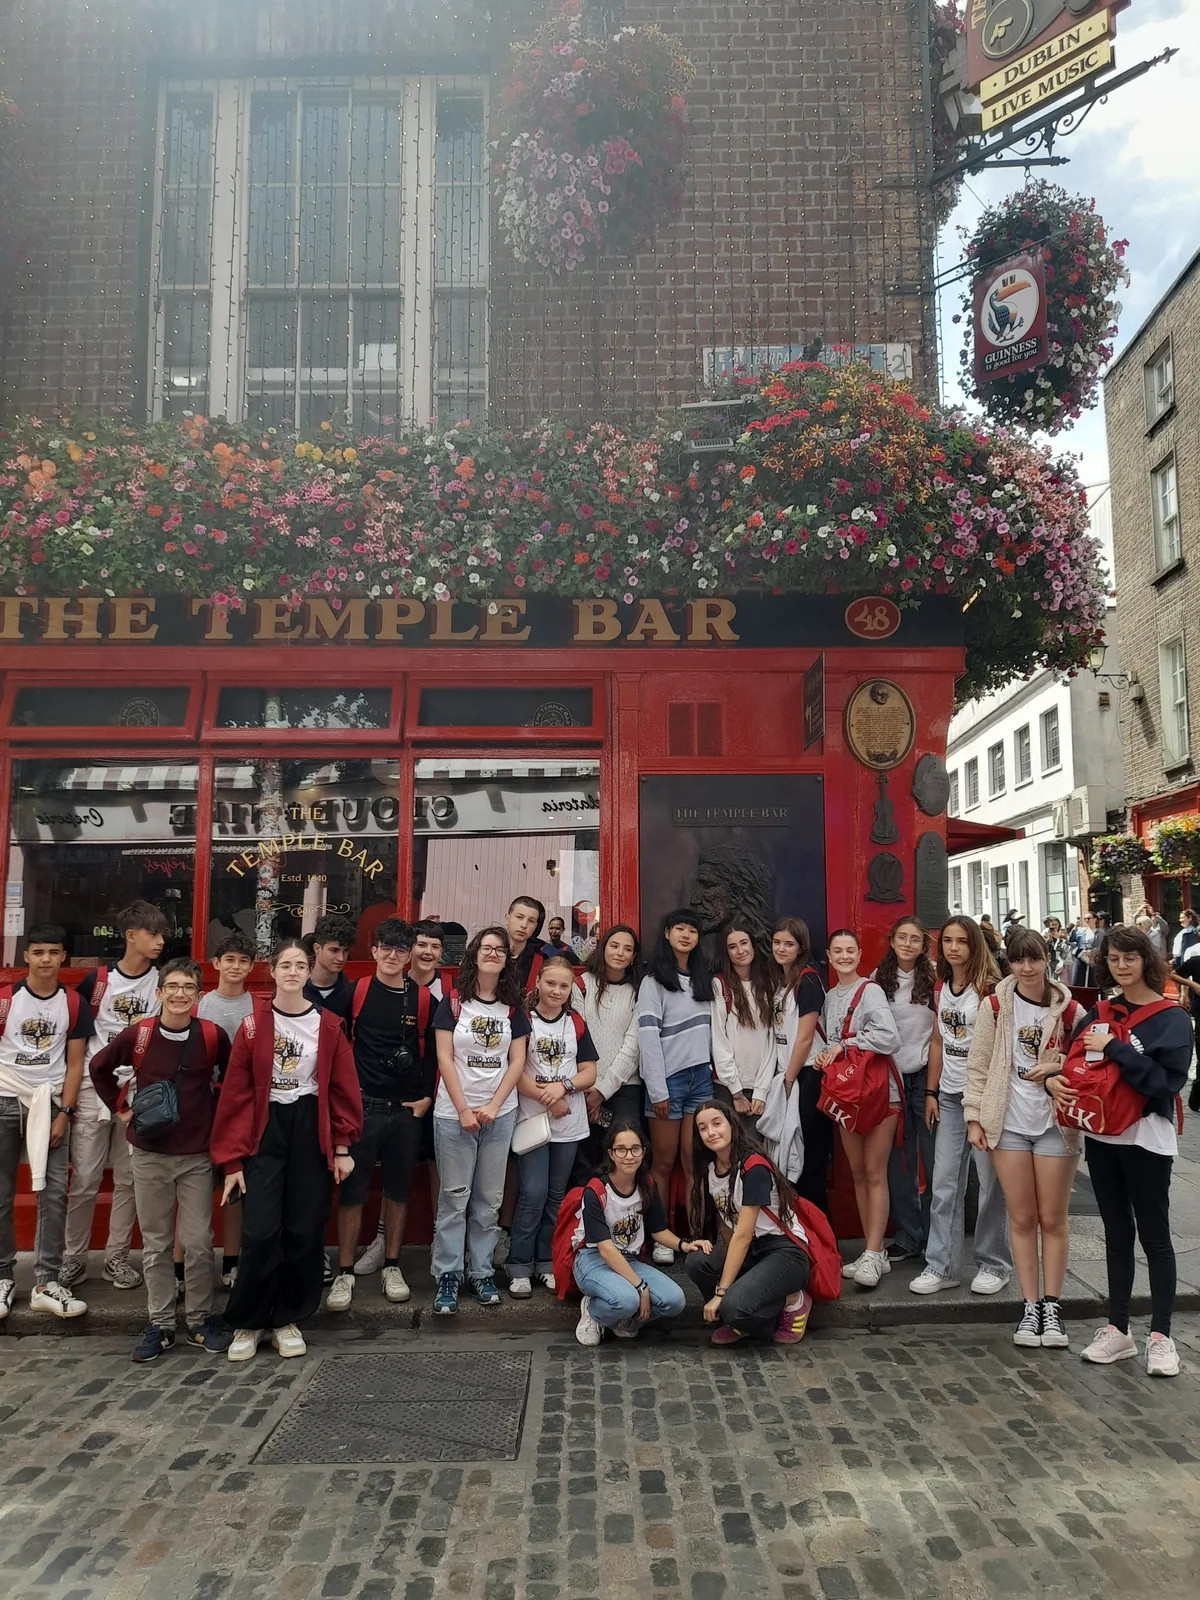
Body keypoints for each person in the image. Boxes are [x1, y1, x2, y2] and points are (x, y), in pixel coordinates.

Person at [211, 940, 362, 1362]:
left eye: (301, 965)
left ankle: (288, 1318)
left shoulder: (329, 1025)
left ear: (309, 970)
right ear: (272, 972)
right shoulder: (253, 1026)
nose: (293, 972)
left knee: (303, 1227)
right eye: (286, 965)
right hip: (265, 1129)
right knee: (259, 1230)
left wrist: (342, 1143)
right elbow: (236, 1095)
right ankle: (250, 1319)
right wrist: (233, 1160)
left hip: (309, 1126)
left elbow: (342, 1088)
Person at [1059, 927, 1191, 1377]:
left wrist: (1115, 1047)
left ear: (1146, 959)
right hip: (1101, 1135)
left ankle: (1161, 1336)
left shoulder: (1171, 1018)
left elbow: (1165, 1082)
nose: (1122, 965)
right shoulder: (1098, 1010)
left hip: (1146, 1136)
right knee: (1117, 1231)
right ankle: (1118, 1329)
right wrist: (1055, 1078)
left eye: (1130, 957)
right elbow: (1074, 1062)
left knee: (1154, 1235)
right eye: (1114, 958)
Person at [89, 958, 232, 1361]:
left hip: (197, 1154)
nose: (180, 994)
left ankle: (200, 1321)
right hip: (150, 1154)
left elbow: (231, 1081)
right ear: (159, 992)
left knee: (200, 1242)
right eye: (172, 986)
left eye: (188, 987)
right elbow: (99, 1067)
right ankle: (161, 1324)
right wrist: (120, 1111)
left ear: (199, 995)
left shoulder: (211, 1035)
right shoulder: (141, 1034)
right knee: (155, 1244)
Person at [965, 928, 1085, 1350]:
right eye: (1019, 960)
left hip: (1055, 1124)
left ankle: (1052, 1306)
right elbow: (977, 1067)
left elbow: (1088, 1068)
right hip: (1008, 1124)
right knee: (1021, 1218)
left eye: (1034, 958)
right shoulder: (995, 1006)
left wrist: (1057, 1071)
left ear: (1046, 959)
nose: (1028, 968)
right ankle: (1029, 1304)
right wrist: (974, 1118)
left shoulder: (1070, 1010)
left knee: (1052, 1219)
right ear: (1009, 963)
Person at [60, 900, 168, 1293]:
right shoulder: (97, 982)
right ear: (131, 936)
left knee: (128, 1180)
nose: (159, 942)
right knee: (85, 1177)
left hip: (138, 1091)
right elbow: (78, 1037)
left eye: (161, 935)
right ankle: (73, 1258)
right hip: (94, 1086)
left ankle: (116, 1257)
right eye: (152, 934)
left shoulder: (162, 981)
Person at [327, 919, 435, 1311]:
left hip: (407, 1112)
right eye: (386, 948)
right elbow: (328, 1044)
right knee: (352, 1192)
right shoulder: (353, 994)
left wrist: (427, 1097)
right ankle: (344, 1272)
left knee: (399, 1191)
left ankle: (392, 1265)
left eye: (400, 950)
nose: (392, 956)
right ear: (373, 951)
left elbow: (437, 1054)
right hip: (361, 1108)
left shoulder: (422, 1000)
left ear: (409, 957)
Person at [429, 926, 531, 1315]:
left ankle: (482, 1271)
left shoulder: (512, 1007)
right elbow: (444, 1058)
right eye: (486, 948)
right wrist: (463, 1109)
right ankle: (449, 1275)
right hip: (454, 1114)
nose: (492, 954)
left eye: (499, 950)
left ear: (507, 959)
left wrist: (493, 1105)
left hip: (499, 1115)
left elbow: (517, 1061)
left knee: (489, 1201)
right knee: (454, 1198)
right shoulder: (453, 1003)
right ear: (473, 955)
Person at [910, 916, 1010, 1297]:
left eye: (962, 941)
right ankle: (943, 1264)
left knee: (990, 1185)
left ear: (974, 946)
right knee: (944, 1183)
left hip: (983, 1098)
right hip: (950, 1097)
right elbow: (938, 1041)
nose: (953, 948)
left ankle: (993, 1263)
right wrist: (932, 1093)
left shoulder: (990, 990)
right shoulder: (941, 987)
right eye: (947, 940)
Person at [0, 924, 92, 1322]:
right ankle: (3, 1276)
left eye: (54, 952)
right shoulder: (5, 1000)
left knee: (53, 1194)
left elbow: (75, 1064)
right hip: (4, 1097)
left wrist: (65, 1113)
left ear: (63, 958)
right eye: (38, 952)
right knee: (1, 1194)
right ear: (26, 956)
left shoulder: (73, 1004)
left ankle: (46, 1281)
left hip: (51, 1103)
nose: (46, 960)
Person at [355, 918, 447, 1278]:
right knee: (389, 1174)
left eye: (433, 947)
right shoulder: (367, 990)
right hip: (381, 1101)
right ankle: (381, 1240)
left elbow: (440, 1055)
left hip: (426, 1100)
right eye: (420, 944)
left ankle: (441, 1238)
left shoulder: (442, 995)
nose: (426, 952)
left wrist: (428, 1096)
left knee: (436, 1165)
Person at [686, 1099, 813, 1344]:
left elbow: (743, 1235)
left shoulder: (753, 1166)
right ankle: (739, 1317)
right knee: (697, 1262)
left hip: (783, 1251)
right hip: (751, 1250)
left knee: (733, 1306)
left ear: (731, 1124)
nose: (711, 1132)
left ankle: (793, 1300)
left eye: (716, 1123)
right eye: (703, 1128)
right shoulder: (710, 1168)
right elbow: (727, 1225)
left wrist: (722, 1292)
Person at [815, 929, 901, 1288]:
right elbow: (829, 1041)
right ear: (829, 956)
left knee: (874, 1170)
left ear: (859, 953)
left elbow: (890, 1037)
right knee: (857, 1173)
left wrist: (847, 1044)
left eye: (851, 950)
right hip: (848, 1094)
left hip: (879, 1092)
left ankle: (871, 1251)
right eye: (838, 951)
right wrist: (827, 1054)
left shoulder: (871, 990)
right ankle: (874, 1252)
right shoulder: (829, 998)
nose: (845, 956)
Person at [508, 955, 598, 1297]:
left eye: (564, 985)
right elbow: (515, 1072)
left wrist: (565, 1087)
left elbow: (589, 1072)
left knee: (555, 1196)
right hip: (533, 1121)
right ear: (538, 984)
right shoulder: (523, 1020)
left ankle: (546, 1262)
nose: (556, 990)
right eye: (550, 983)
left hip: (569, 1123)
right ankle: (519, 1264)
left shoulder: (575, 1022)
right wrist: (548, 1097)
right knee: (531, 1193)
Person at [571, 1119, 706, 1346]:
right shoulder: (596, 1190)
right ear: (611, 1154)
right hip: (593, 1260)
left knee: (674, 1301)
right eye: (621, 1150)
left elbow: (658, 1230)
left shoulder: (646, 1185)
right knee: (627, 1299)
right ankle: (594, 1311)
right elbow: (605, 1249)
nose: (629, 1156)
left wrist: (685, 1245)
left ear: (643, 1152)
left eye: (635, 1149)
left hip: (629, 1259)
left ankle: (624, 1322)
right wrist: (640, 1286)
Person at [637, 909, 715, 1265]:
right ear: (667, 933)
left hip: (701, 1078)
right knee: (664, 1162)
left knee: (695, 1161)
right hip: (668, 1081)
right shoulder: (654, 981)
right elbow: (648, 1038)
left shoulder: (705, 981)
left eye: (693, 930)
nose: (686, 935)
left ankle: (698, 1235)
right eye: (679, 928)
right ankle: (662, 1237)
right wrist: (657, 1090)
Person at [872, 916, 936, 1264]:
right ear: (892, 940)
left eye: (915, 939)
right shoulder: (876, 981)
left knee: (933, 1160)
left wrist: (932, 1089)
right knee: (899, 1163)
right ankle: (909, 1236)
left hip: (925, 1079)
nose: (908, 944)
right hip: (890, 1078)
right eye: (902, 937)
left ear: (923, 945)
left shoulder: (935, 978)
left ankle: (933, 1236)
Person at [198, 929, 256, 1288]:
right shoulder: (200, 1003)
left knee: (236, 1184)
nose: (235, 967)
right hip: (203, 1103)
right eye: (229, 960)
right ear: (216, 964)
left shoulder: (258, 1006)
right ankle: (188, 1265)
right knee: (199, 1186)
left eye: (243, 961)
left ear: (251, 967)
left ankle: (232, 1262)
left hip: (241, 1107)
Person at [577, 925, 643, 1181]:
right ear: (603, 947)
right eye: (614, 946)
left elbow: (633, 1045)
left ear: (634, 956)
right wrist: (590, 1089)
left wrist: (603, 1091)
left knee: (623, 1159)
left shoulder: (637, 992)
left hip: (624, 1088)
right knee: (585, 1162)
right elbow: (578, 1039)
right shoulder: (581, 985)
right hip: (584, 1086)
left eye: (628, 949)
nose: (620, 953)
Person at [770, 918, 828, 1212]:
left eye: (789, 944)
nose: (781, 948)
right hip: (790, 1076)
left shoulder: (808, 981)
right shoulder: (782, 983)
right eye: (777, 942)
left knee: (811, 1161)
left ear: (801, 947)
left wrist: (789, 1080)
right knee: (791, 1158)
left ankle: (822, 1238)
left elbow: (805, 1039)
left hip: (808, 1077)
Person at [710, 922, 778, 1131]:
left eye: (744, 943)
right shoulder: (720, 985)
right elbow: (718, 1040)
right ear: (726, 953)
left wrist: (761, 1090)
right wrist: (736, 1091)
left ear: (753, 947)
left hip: (760, 1089)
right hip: (727, 1088)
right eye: (732, 947)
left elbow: (772, 1042)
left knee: (754, 1150)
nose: (740, 951)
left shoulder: (767, 985)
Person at [303, 913, 356, 1018]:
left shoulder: (353, 992)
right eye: (334, 950)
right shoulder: (297, 988)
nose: (341, 958)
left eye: (345, 951)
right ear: (317, 948)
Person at [505, 896, 547, 989]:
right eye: (519, 917)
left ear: (536, 926)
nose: (524, 925)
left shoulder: (541, 963)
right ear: (507, 918)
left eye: (531, 921)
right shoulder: (487, 953)